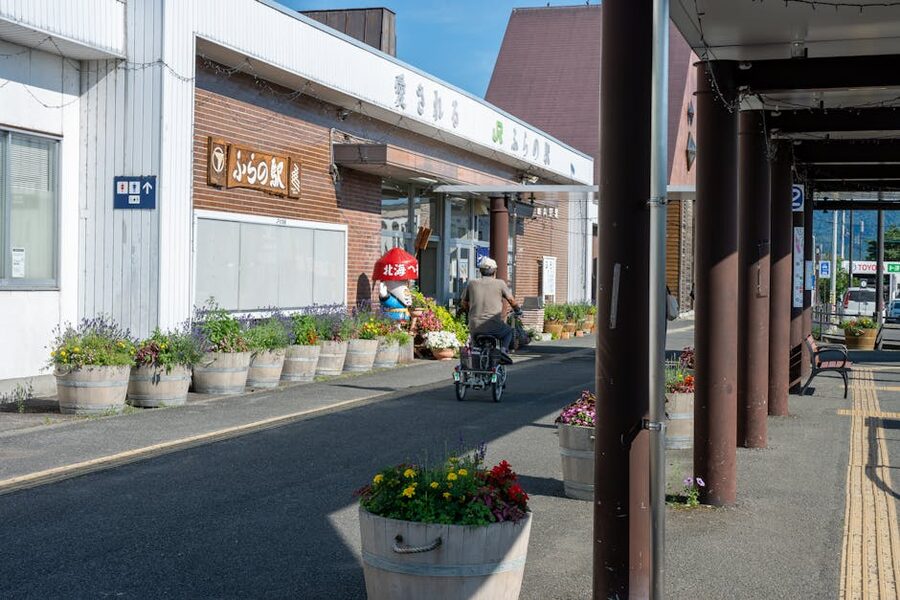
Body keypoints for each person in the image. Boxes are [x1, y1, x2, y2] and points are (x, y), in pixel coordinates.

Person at [460, 257, 521, 364]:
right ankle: (503, 352)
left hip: (475, 325)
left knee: (475, 346)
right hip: (494, 325)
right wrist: (517, 310)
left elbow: (463, 303)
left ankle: (475, 368)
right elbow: (511, 300)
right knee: (508, 332)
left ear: (480, 271)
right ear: (495, 271)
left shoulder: (472, 283)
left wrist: (469, 311)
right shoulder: (500, 283)